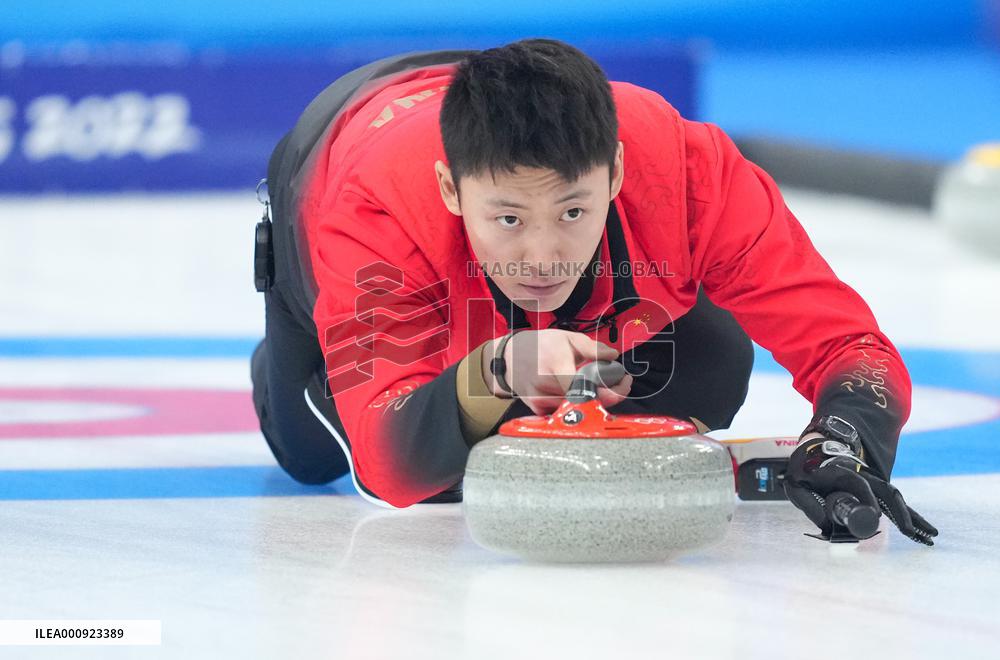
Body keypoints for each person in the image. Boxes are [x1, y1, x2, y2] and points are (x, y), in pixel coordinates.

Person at [250, 38, 936, 545]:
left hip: (486, 147)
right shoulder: (373, 209)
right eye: (509, 219)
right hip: (330, 162)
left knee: (710, 361)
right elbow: (390, 469)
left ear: (615, 174)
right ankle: (300, 359)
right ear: (450, 189)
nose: (543, 256)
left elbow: (849, 344)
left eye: (573, 211)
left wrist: (846, 439)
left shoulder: (690, 169)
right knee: (344, 464)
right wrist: (499, 370)